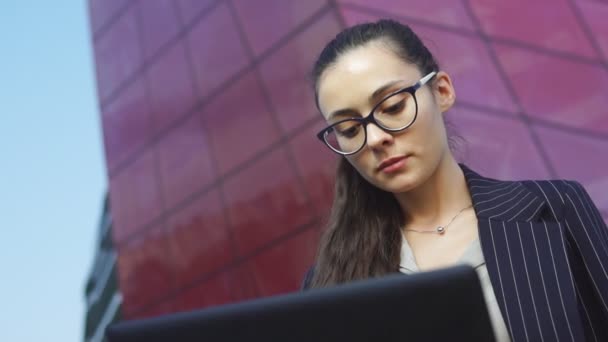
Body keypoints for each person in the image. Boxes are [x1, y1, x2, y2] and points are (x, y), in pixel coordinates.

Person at [300, 19, 608, 342]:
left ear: (442, 91)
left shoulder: (554, 210)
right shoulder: (327, 285)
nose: (374, 138)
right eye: (349, 129)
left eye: (392, 106)